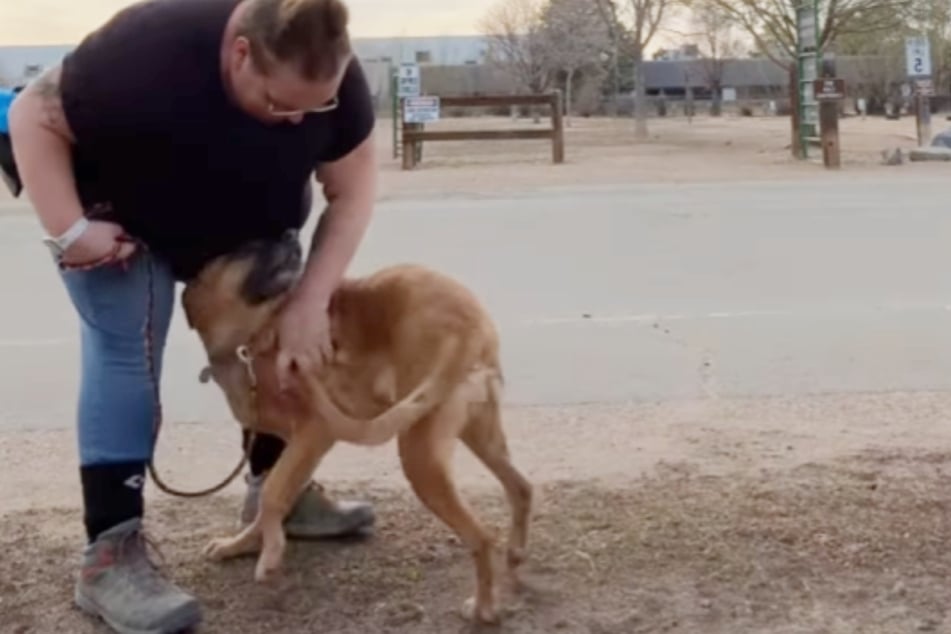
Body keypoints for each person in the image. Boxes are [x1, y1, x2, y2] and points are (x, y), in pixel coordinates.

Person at [8, 0, 379, 631]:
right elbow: (29, 116)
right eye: (278, 102)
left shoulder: (333, 81)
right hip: (120, 223)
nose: (295, 121)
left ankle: (277, 496)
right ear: (240, 56)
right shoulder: (146, 51)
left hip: (241, 224)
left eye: (312, 109)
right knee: (127, 346)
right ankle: (109, 555)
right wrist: (71, 232)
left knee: (281, 338)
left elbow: (352, 189)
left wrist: (312, 303)